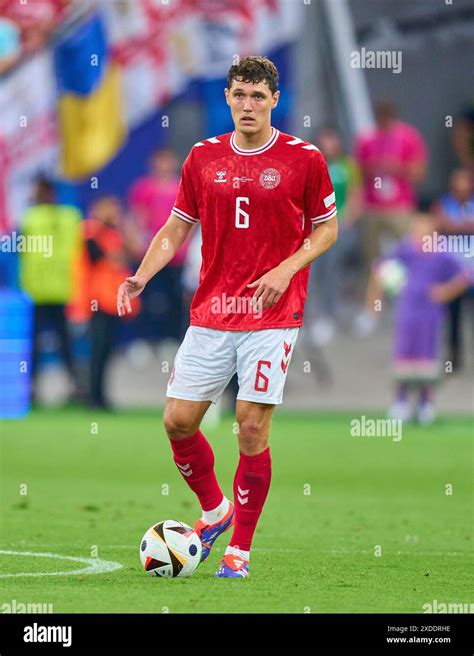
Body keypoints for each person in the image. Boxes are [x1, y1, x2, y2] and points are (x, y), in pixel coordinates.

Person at [117, 56, 338, 578]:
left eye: (258, 96)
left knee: (249, 426)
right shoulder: (202, 157)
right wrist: (141, 275)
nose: (248, 105)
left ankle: (239, 550)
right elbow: (176, 227)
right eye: (239, 94)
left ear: (274, 101)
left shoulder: (303, 159)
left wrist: (286, 269)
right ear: (227, 97)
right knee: (177, 421)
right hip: (213, 311)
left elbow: (327, 230)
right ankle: (216, 510)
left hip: (272, 312)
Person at [366, 212, 470, 424]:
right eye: (417, 231)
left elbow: (467, 274)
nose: (420, 236)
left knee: (427, 361)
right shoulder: (406, 251)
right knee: (404, 358)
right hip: (407, 314)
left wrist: (446, 291)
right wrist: (375, 297)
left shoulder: (442, 255)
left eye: (425, 231)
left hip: (430, 316)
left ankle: (426, 404)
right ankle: (400, 402)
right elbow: (380, 266)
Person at [74, 196, 141, 409]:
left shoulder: (116, 234)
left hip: (115, 302)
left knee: (108, 352)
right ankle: (92, 397)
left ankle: (101, 397)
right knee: (97, 351)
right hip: (97, 301)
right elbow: (108, 257)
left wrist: (124, 225)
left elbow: (135, 251)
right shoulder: (90, 231)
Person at [355, 100, 428, 294]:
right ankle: (372, 305)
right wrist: (373, 167)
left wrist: (397, 168)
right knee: (372, 259)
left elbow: (419, 173)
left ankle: (411, 296)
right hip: (372, 207)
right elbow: (357, 173)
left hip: (400, 207)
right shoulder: (366, 138)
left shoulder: (408, 137)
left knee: (410, 253)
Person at [19, 176, 82, 400]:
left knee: (38, 344)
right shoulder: (71, 217)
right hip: (60, 290)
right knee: (63, 344)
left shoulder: (31, 217)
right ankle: (75, 389)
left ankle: (31, 390)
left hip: (40, 291)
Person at [308, 126, 363, 344]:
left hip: (337, 227)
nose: (330, 144)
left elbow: (356, 196)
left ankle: (330, 315)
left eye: (333, 139)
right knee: (312, 274)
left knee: (332, 271)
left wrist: (345, 221)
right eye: (326, 139)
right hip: (314, 228)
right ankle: (309, 318)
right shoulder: (313, 162)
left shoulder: (347, 166)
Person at [128, 149, 189, 344]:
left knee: (175, 298)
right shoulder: (144, 188)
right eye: (159, 162)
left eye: (166, 161)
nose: (163, 166)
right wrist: (138, 242)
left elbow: (191, 220)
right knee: (145, 296)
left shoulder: (182, 186)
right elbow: (138, 217)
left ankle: (171, 339)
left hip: (177, 255)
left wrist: (187, 244)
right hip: (151, 253)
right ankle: (143, 340)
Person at [433, 168, 474, 370]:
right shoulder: (443, 204)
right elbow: (441, 224)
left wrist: (456, 226)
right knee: (453, 318)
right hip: (452, 274)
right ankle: (453, 360)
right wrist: (463, 226)